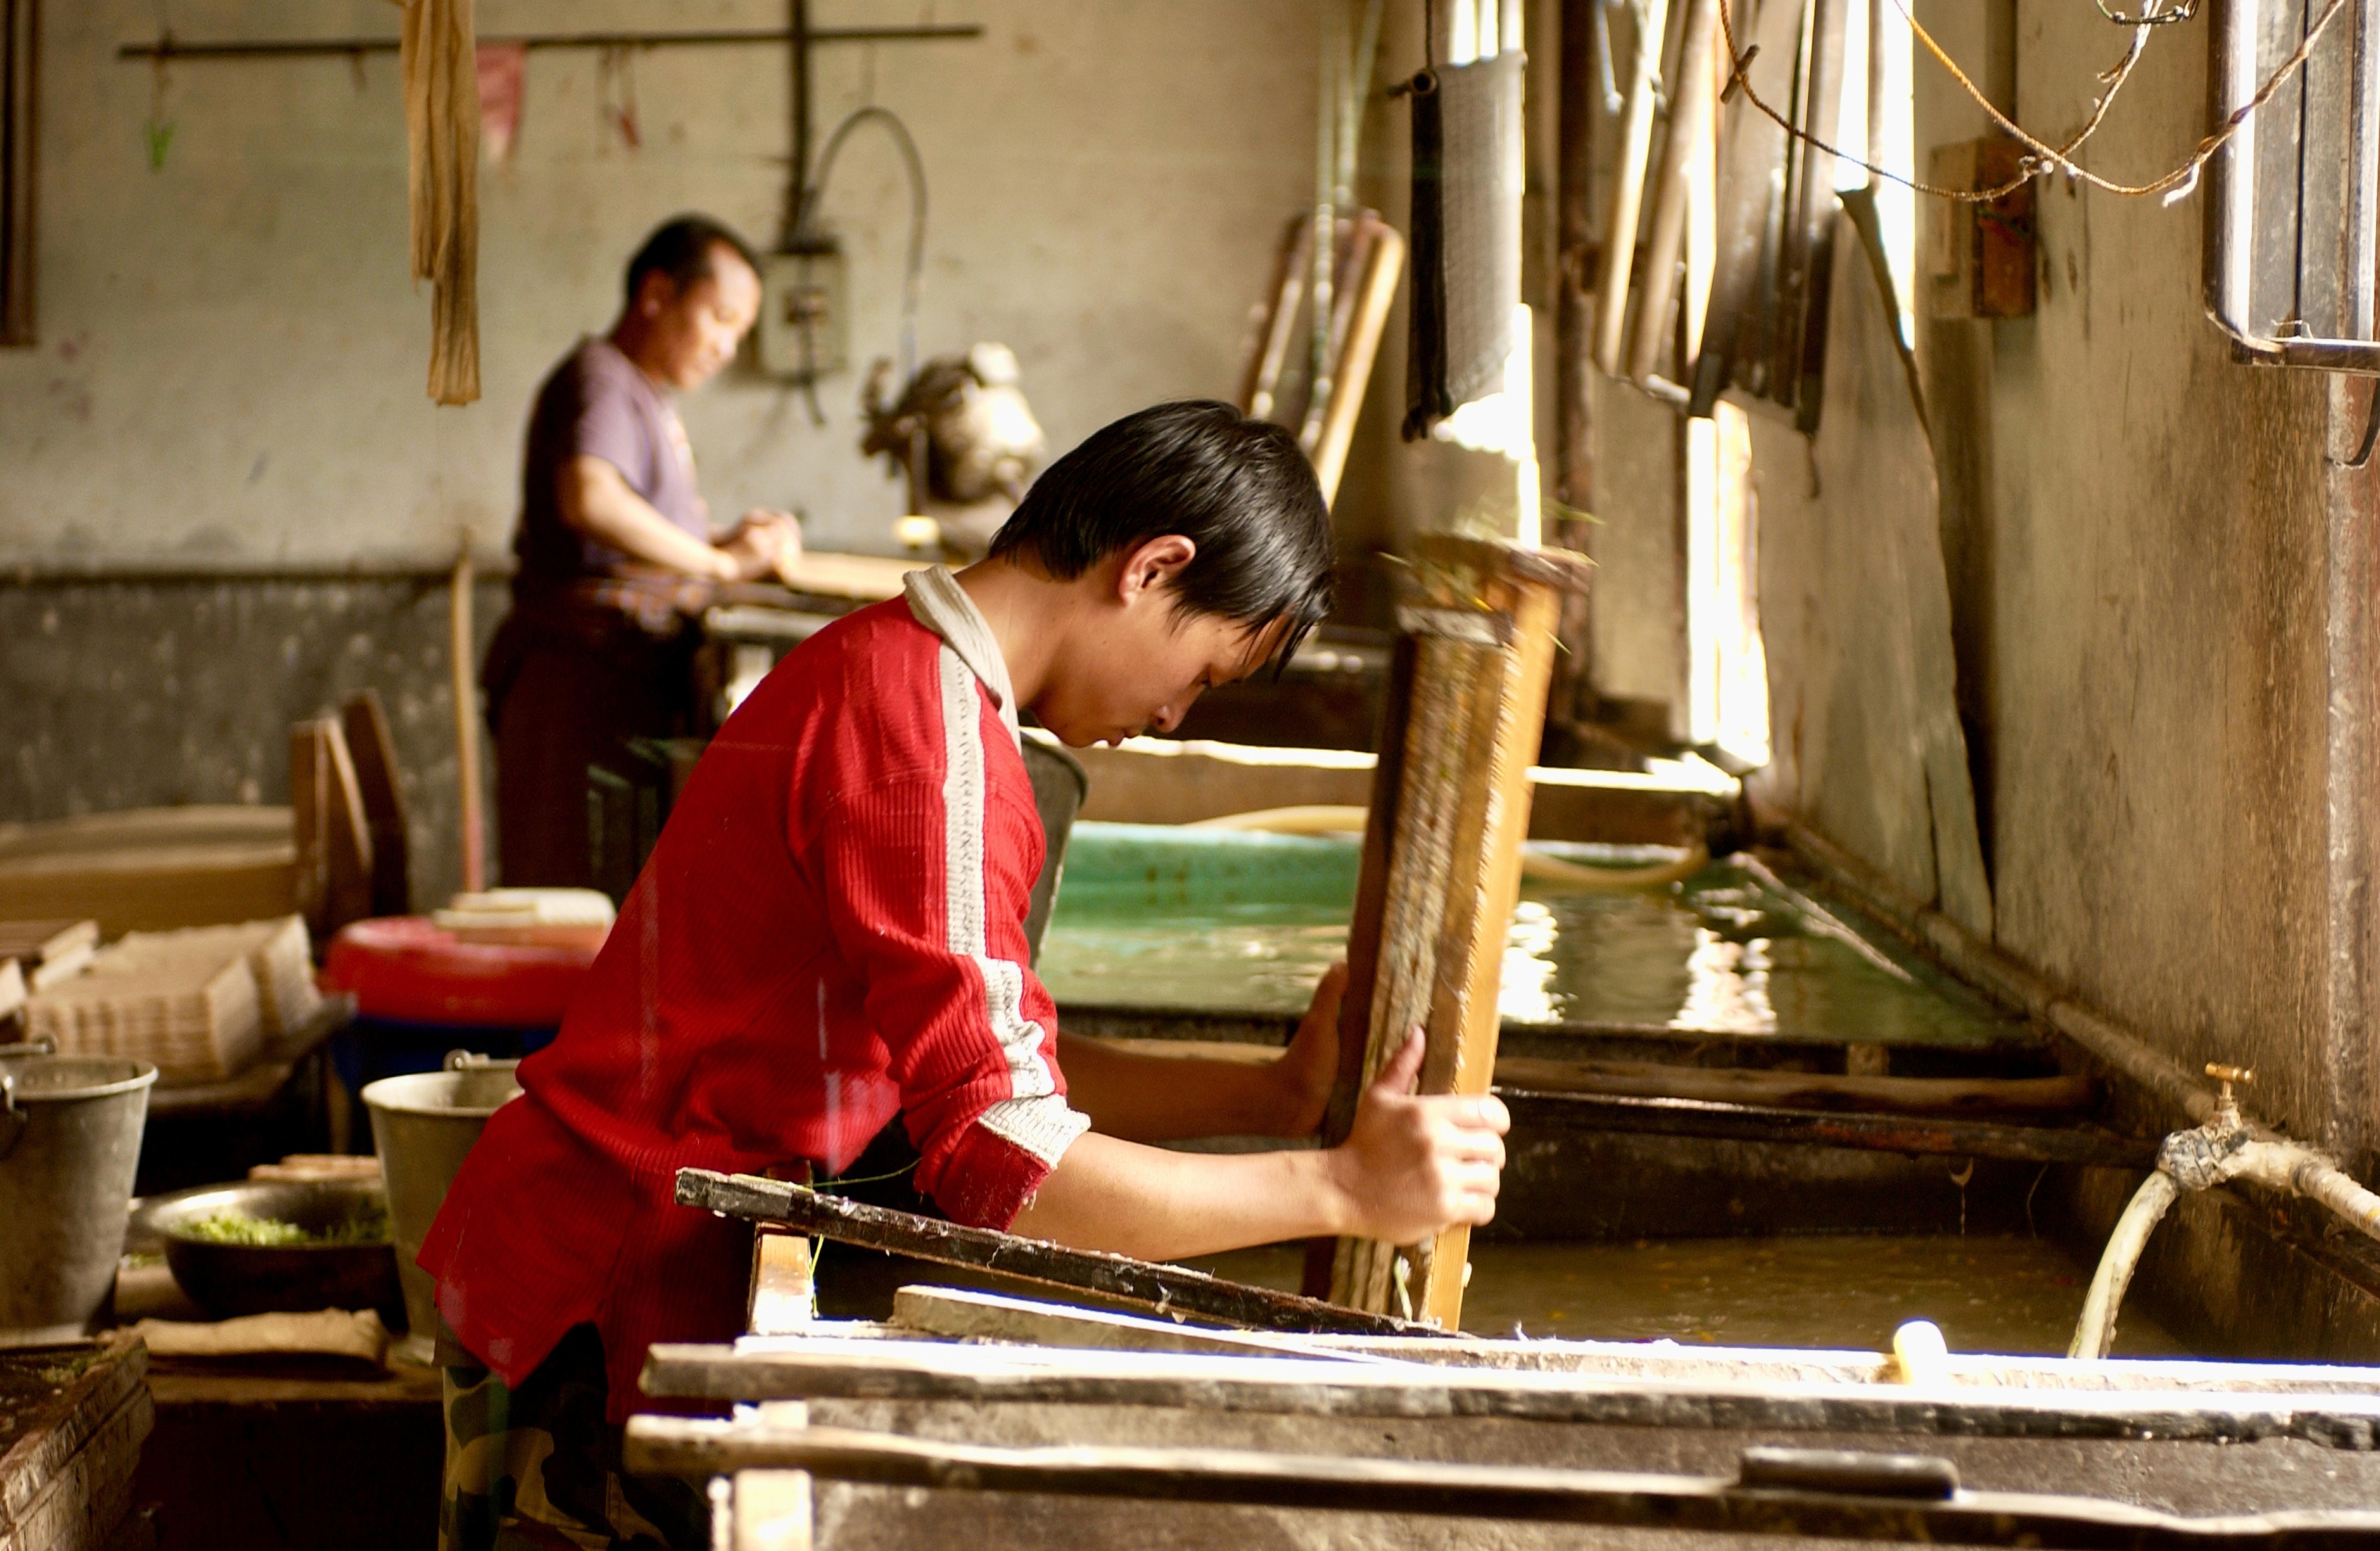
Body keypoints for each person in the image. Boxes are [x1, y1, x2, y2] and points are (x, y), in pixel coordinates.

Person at [422, 401, 1511, 1551]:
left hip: (585, 1256)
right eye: (1199, 674)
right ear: (1151, 568)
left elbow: (993, 1067)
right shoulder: (927, 749)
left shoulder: (901, 675)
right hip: (599, 1299)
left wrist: (1273, 1101)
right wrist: (1341, 1190)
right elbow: (1010, 1160)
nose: (1172, 716)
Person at [482, 214, 803, 888]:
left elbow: (647, 540)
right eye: (718, 317)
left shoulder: (648, 400)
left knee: (622, 904)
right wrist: (718, 565)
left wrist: (731, 542)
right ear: (656, 294)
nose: (724, 348)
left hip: (624, 686)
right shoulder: (599, 377)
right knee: (570, 904)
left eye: (739, 334)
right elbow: (589, 499)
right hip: (577, 684)